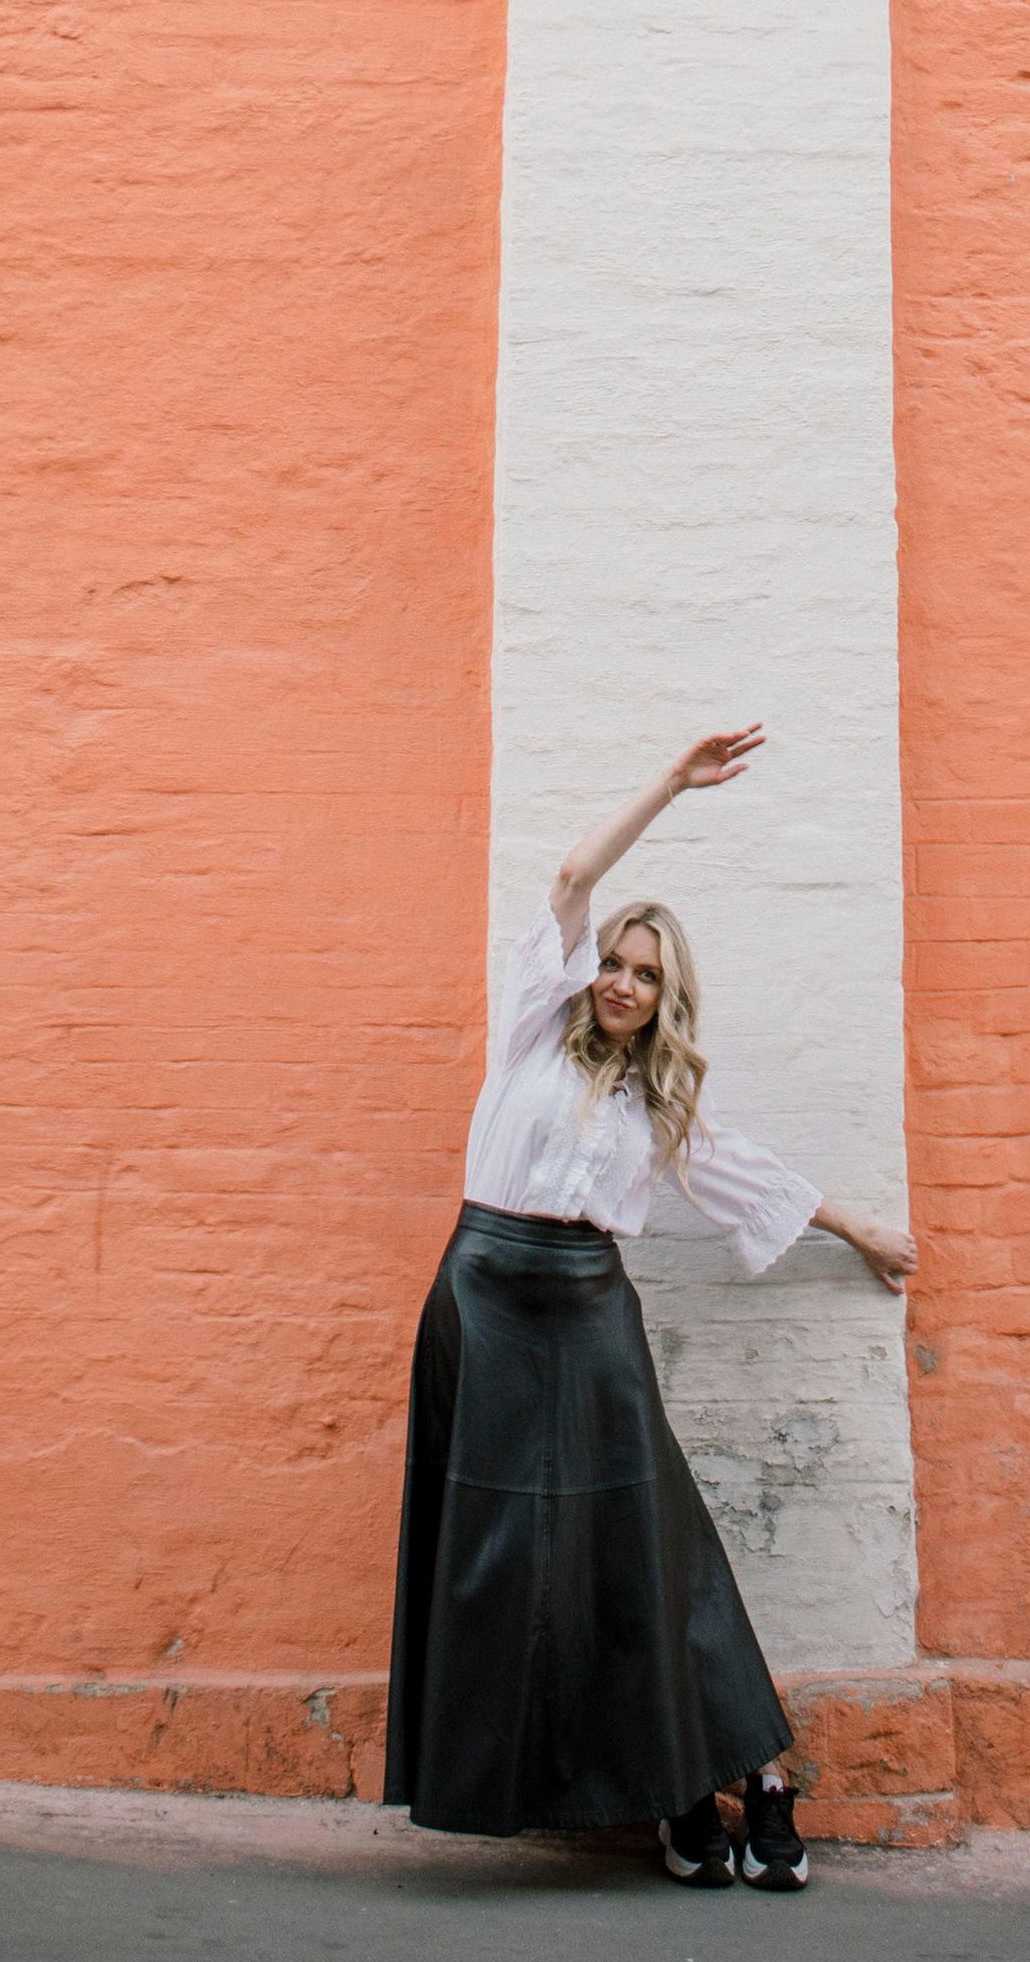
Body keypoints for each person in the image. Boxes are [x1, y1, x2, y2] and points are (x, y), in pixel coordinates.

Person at [383, 725, 916, 1890]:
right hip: (482, 1304)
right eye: (617, 964)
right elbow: (572, 878)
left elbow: (741, 1175)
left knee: (650, 1555)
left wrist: (860, 1227)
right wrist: (672, 785)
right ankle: (669, 1802)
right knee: (504, 1565)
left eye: (647, 976)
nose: (624, 984)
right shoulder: (531, 1027)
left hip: (588, 1319)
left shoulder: (657, 1103)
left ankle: (739, 1775)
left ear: (666, 1000)